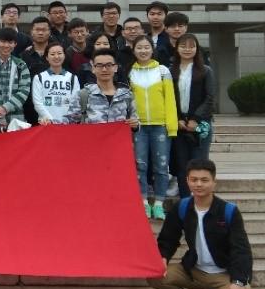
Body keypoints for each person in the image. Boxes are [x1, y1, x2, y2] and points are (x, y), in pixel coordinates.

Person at [148, 159, 254, 289]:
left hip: (223, 274)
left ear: (214, 182)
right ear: (187, 181)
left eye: (204, 180)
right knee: (154, 276)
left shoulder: (228, 211)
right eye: (194, 179)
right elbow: (168, 239)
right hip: (193, 270)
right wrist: (163, 257)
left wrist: (238, 281)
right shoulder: (182, 207)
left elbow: (241, 249)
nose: (198, 184)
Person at [129, 35, 178, 220]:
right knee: (140, 166)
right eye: (139, 48)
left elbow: (170, 100)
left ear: (152, 49)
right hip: (139, 127)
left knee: (161, 167)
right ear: (134, 50)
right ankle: (143, 202)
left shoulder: (163, 71)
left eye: (146, 47)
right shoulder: (130, 72)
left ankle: (158, 204)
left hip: (160, 126)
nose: (143, 51)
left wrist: (171, 126)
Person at [172, 34, 216, 198]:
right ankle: (185, 201)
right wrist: (177, 118)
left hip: (200, 125)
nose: (187, 49)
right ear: (177, 48)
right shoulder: (169, 71)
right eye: (183, 46)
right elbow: (168, 98)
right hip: (179, 125)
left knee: (200, 165)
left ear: (197, 49)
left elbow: (210, 98)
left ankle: (201, 199)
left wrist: (195, 119)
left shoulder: (205, 70)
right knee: (182, 165)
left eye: (192, 46)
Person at [65, 48, 140, 128]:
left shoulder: (127, 95)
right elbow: (69, 122)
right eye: (99, 65)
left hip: (119, 136)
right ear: (93, 68)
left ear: (115, 68)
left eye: (109, 65)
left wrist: (135, 125)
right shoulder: (83, 95)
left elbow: (135, 121)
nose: (104, 69)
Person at [31, 43, 80, 125]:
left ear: (64, 56)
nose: (56, 57)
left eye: (59, 53)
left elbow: (75, 103)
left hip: (67, 124)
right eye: (52, 54)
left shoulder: (72, 78)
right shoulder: (39, 77)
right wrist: (51, 120)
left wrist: (65, 121)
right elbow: (37, 103)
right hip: (46, 123)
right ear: (47, 57)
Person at [19, 17, 52, 125]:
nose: (40, 33)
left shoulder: (56, 54)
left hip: (52, 104)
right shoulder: (23, 56)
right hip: (29, 106)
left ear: (49, 32)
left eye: (44, 30)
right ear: (31, 32)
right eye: (37, 30)